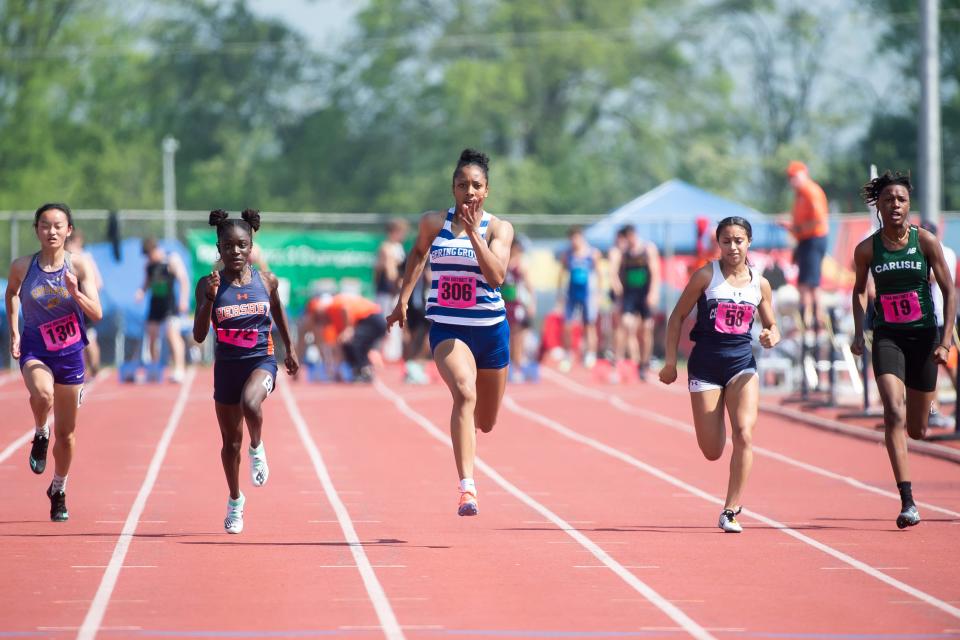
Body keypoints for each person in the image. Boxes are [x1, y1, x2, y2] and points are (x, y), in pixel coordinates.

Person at [387, 148, 514, 517]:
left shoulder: (500, 228)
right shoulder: (432, 223)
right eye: (462, 185)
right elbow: (417, 255)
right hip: (448, 327)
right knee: (463, 392)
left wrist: (475, 235)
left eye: (476, 185)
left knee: (486, 422)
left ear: (486, 190)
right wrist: (403, 300)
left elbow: (497, 277)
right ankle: (467, 488)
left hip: (490, 332)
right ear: (453, 189)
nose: (469, 191)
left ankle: (468, 430)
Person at [659, 216, 780, 533]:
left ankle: (731, 509)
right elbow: (676, 317)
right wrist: (671, 362)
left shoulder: (760, 283)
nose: (732, 247)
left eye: (738, 240)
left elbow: (771, 324)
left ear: (748, 242)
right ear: (719, 244)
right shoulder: (705, 276)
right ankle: (717, 421)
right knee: (712, 450)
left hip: (741, 364)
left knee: (745, 433)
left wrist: (771, 335)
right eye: (726, 241)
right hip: (706, 366)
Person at [851, 173, 956, 528]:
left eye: (901, 200)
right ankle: (907, 500)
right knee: (893, 413)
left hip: (924, 338)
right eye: (888, 200)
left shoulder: (925, 242)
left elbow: (949, 290)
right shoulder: (867, 249)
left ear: (908, 205)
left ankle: (920, 409)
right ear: (878, 206)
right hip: (888, 337)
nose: (895, 205)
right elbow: (858, 291)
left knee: (917, 430)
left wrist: (945, 340)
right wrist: (856, 332)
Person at [193, 209, 299, 534]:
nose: (235, 252)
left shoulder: (266, 280)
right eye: (228, 246)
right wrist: (208, 301)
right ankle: (235, 501)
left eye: (241, 246)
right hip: (226, 368)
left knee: (251, 404)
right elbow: (198, 335)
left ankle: (258, 447)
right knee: (229, 444)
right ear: (219, 248)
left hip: (260, 360)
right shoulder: (209, 284)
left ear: (251, 245)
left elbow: (279, 312)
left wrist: (290, 350)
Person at [5, 203, 103, 521]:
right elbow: (11, 295)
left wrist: (75, 293)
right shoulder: (22, 266)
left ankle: (58, 488)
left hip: (71, 353)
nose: (52, 231)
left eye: (59, 225)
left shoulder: (81, 266)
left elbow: (97, 313)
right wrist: (15, 334)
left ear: (69, 230)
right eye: (45, 225)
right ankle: (39, 430)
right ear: (37, 230)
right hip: (36, 349)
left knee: (68, 434)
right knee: (42, 394)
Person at [920, 221, 958, 428]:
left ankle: (933, 410)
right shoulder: (948, 252)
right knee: (941, 364)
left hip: (938, 316)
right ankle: (932, 410)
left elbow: (933, 276)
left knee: (940, 364)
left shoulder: (938, 252)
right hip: (939, 316)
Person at [136, 237, 190, 382]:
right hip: (155, 304)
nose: (149, 257)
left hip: (169, 305)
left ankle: (179, 369)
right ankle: (154, 369)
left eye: (149, 254)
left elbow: (183, 280)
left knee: (172, 335)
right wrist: (141, 292)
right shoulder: (149, 265)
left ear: (155, 249)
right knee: (152, 336)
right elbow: (146, 283)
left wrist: (183, 300)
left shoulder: (171, 260)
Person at [784, 161, 829, 336]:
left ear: (804, 174)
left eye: (795, 176)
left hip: (813, 238)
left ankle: (815, 322)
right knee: (804, 283)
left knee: (810, 284)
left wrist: (797, 229)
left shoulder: (811, 191)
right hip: (805, 240)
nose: (792, 181)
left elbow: (818, 219)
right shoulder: (799, 194)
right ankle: (808, 322)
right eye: (790, 177)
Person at [616, 225, 660, 380]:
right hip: (630, 295)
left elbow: (655, 272)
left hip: (644, 294)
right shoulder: (624, 253)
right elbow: (620, 272)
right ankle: (633, 361)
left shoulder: (647, 249)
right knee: (627, 324)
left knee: (647, 329)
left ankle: (644, 362)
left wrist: (653, 292)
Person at [316, 292, 388, 382]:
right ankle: (362, 370)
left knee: (353, 342)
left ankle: (362, 370)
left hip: (372, 318)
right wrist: (337, 369)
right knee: (350, 343)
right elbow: (339, 344)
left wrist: (348, 329)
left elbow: (345, 309)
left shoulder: (332, 306)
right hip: (372, 319)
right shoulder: (334, 317)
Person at [558, 226, 601, 370]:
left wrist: (598, 294)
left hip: (588, 294)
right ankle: (567, 354)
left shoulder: (592, 254)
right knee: (568, 325)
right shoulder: (567, 254)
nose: (574, 241)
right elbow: (561, 274)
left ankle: (590, 354)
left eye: (577, 238)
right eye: (572, 239)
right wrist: (560, 294)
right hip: (571, 293)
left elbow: (599, 274)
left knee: (589, 325)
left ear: (581, 237)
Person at [64, 229, 104, 377]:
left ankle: (94, 369)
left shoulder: (85, 258)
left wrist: (88, 296)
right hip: (71, 303)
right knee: (77, 338)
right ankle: (85, 369)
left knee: (89, 336)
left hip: (83, 302)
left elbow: (98, 282)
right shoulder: (67, 257)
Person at [504, 238, 536, 382]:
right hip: (504, 303)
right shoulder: (503, 260)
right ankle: (509, 366)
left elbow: (529, 285)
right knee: (506, 337)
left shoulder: (521, 263)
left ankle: (517, 367)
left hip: (517, 304)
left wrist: (531, 304)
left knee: (517, 337)